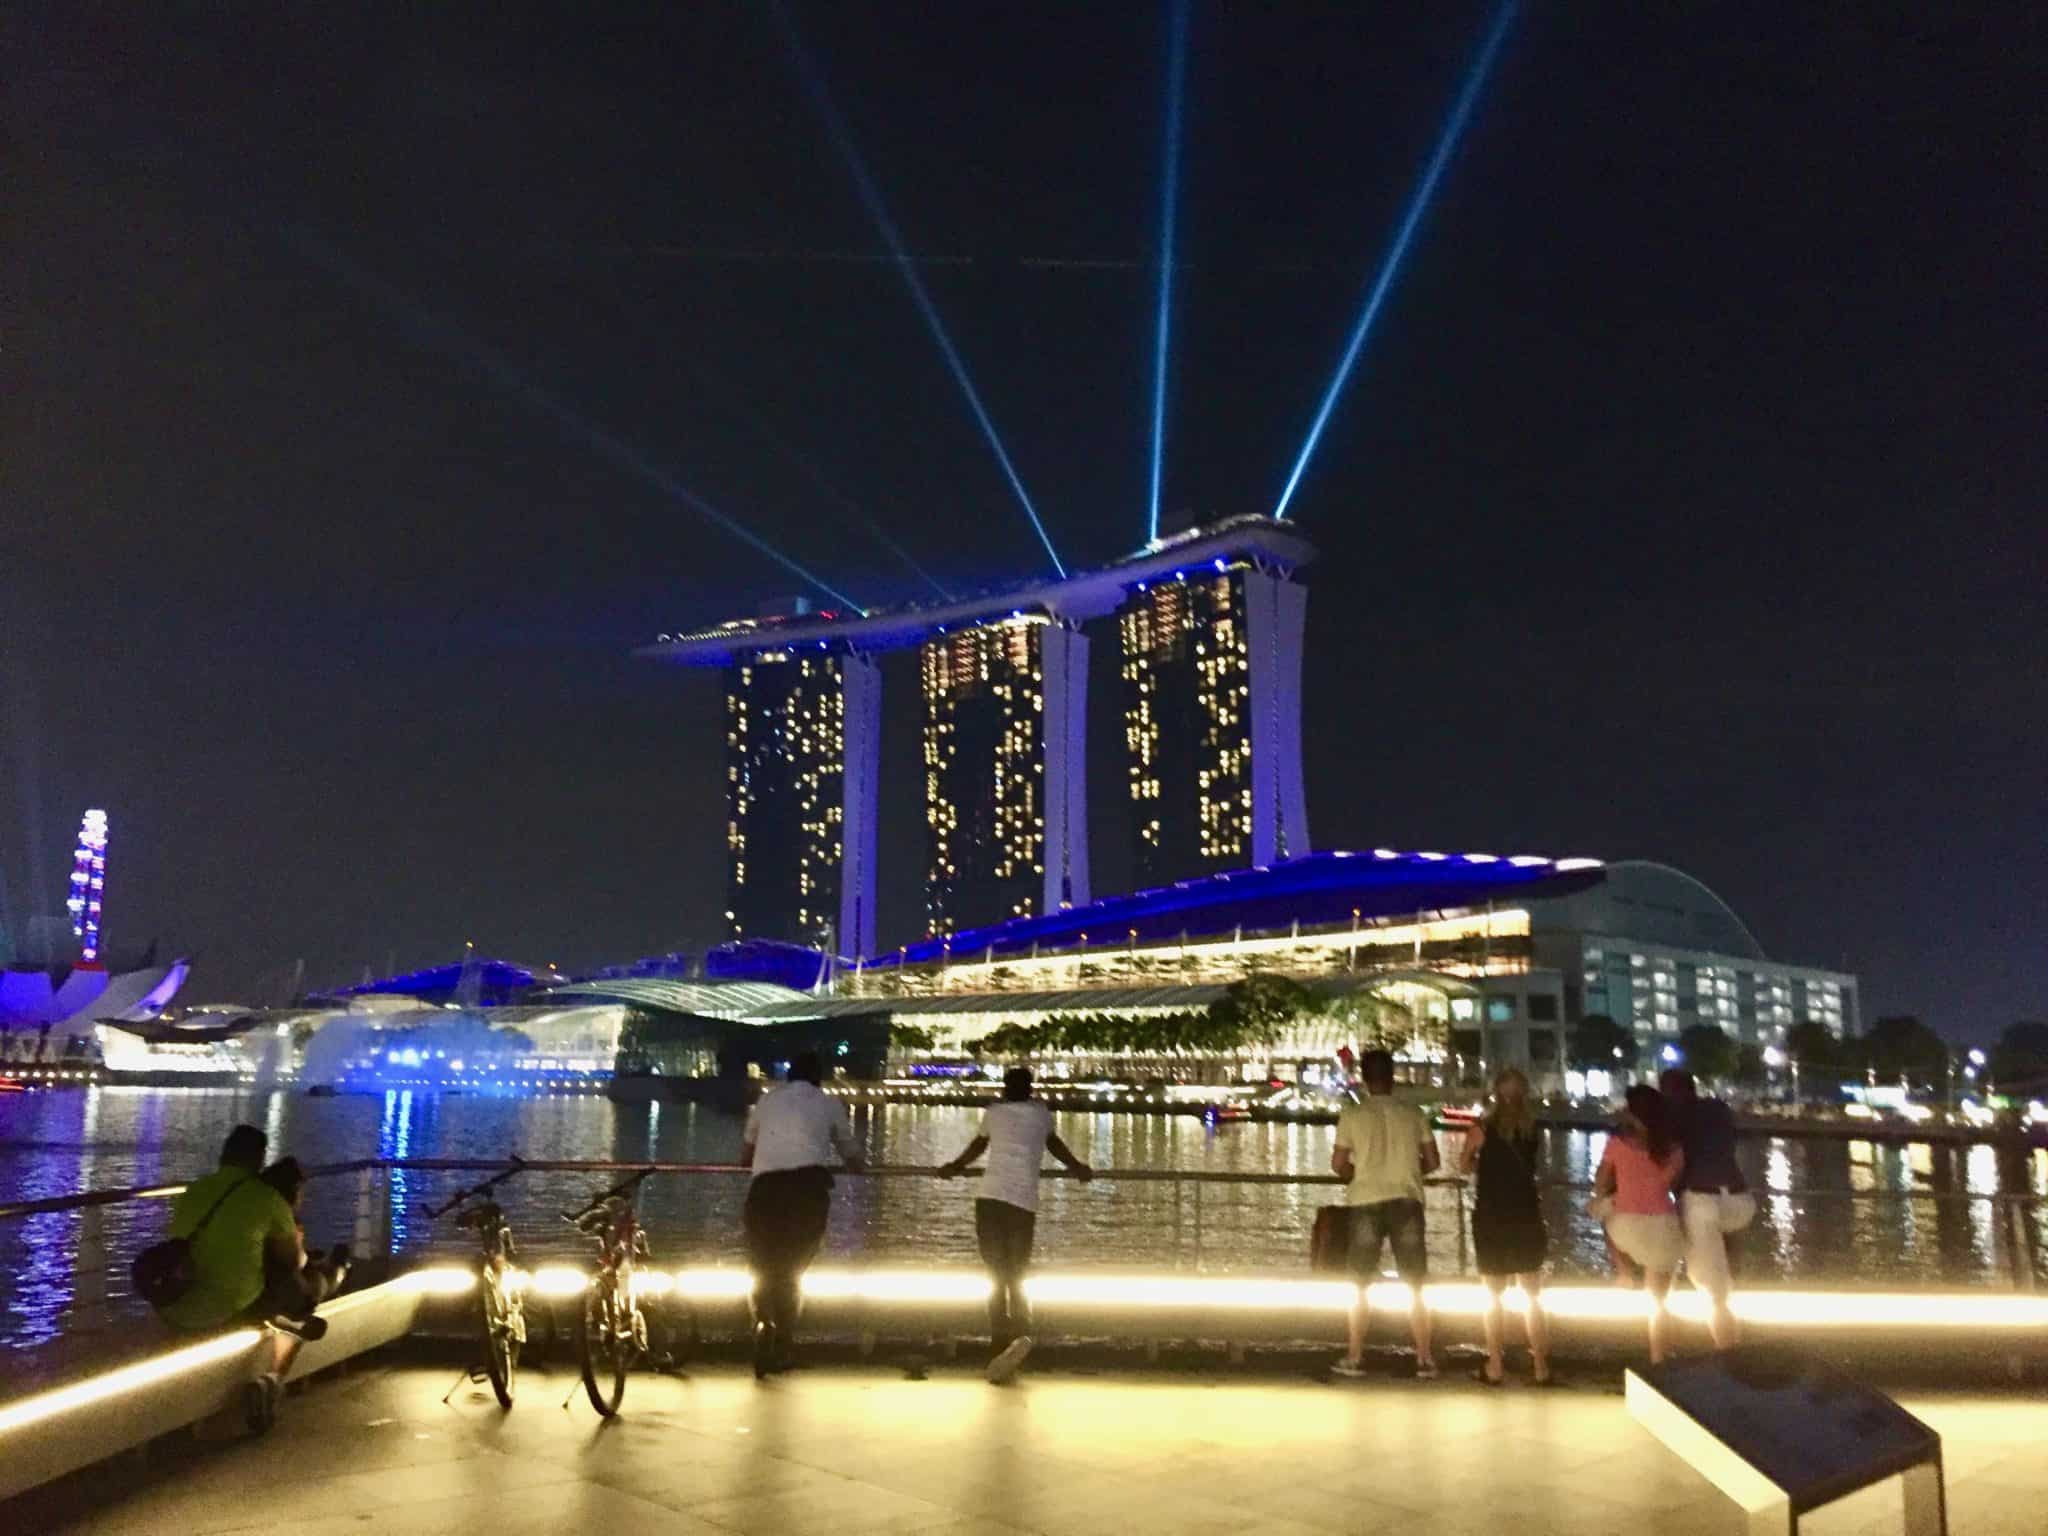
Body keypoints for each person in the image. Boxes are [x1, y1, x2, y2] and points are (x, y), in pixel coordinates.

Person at [939, 1066, 1094, 1383]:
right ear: (1031, 1088)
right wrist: (1077, 1167)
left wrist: (954, 1166)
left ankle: (998, 1343)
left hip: (990, 1199)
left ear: (1005, 1088)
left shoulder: (994, 1112)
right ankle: (1020, 1338)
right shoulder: (1040, 1112)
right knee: (1017, 1273)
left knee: (996, 1273)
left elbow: (979, 1146)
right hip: (1022, 1203)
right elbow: (1053, 1144)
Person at [158, 1125, 308, 1431]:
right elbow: (292, 1261)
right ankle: (273, 1380)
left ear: (224, 1154)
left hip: (175, 1301)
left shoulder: (194, 1190)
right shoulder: (267, 1198)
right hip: (229, 1309)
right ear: (259, 1160)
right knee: (302, 1305)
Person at [741, 1051, 863, 1378]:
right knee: (792, 1270)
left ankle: (762, 1324)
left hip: (764, 1191)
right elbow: (850, 1152)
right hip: (806, 1192)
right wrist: (855, 1164)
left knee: (762, 1264)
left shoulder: (768, 1101)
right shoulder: (828, 1103)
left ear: (788, 1075)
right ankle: (783, 1343)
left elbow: (746, 1154)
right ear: (818, 1077)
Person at [1330, 1048, 1440, 1380]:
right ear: (1393, 1077)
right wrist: (1408, 1171)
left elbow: (1338, 1164)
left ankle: (1354, 1355)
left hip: (1364, 1199)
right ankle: (1424, 1357)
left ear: (1364, 1078)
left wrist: (1360, 1173)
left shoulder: (1352, 1115)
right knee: (1416, 1284)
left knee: (1359, 1283)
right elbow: (1433, 1161)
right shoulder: (1413, 1113)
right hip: (1406, 1199)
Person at [1459, 1066, 1551, 1385]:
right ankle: (1540, 1367)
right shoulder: (1533, 1129)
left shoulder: (1482, 1127)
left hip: (1492, 1217)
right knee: (1532, 1296)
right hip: (1526, 1215)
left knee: (1493, 1298)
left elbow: (1464, 1163)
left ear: (1496, 1094)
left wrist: (1479, 1161)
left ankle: (1495, 1365)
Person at [1661, 1067, 1754, 1350]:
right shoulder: (1719, 1109)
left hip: (1701, 1200)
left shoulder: (1673, 1116)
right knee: (1725, 1271)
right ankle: (1732, 1281)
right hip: (1740, 1200)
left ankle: (1727, 1355)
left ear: (1668, 1092)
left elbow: (1671, 1158)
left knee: (1714, 1295)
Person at [1594, 1084, 1686, 1364]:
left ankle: (1623, 1272)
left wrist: (1616, 1190)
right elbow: (1667, 1184)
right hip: (1663, 1228)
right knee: (1659, 1300)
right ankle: (1661, 1357)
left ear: (1631, 1112)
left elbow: (1599, 1186)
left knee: (1603, 1213)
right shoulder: (1673, 1149)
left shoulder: (1618, 1144)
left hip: (1628, 1227)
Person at [255, 1158, 352, 1327]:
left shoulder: (256, 1212)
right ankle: (340, 1268)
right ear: (294, 1191)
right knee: (323, 1279)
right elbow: (294, 1262)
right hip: (277, 1295)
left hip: (257, 1287)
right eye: (301, 1191)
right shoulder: (284, 1219)